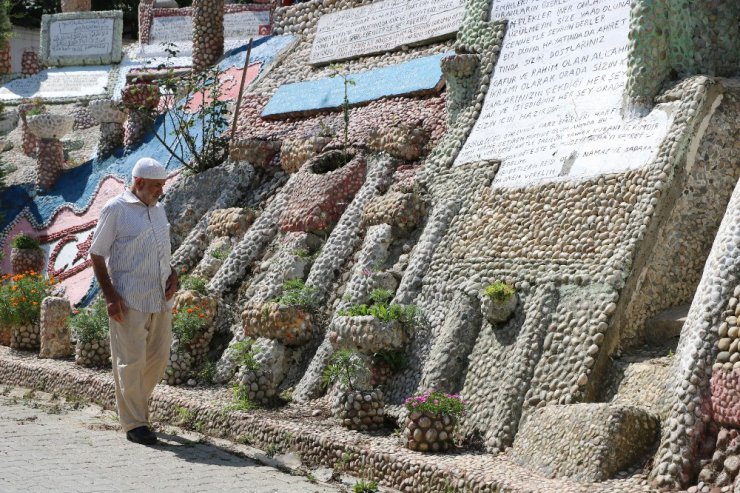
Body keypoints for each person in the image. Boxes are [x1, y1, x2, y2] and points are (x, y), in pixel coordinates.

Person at [89, 157, 178, 446]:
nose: (159, 192)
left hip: (161, 297)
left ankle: (136, 409)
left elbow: (161, 249)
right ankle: (135, 423)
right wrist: (110, 296)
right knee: (130, 361)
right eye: (155, 186)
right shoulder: (116, 209)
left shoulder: (159, 209)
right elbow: (97, 253)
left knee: (158, 358)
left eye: (162, 186)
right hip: (129, 298)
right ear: (138, 183)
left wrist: (173, 273)